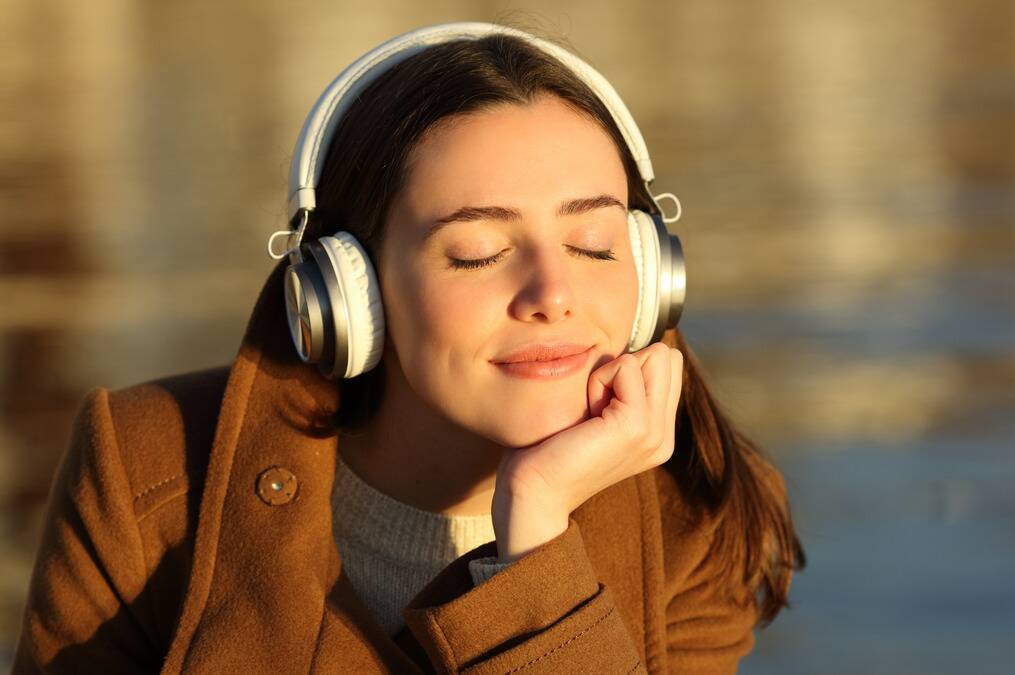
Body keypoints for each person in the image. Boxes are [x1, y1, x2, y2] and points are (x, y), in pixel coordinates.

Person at [12, 22, 805, 674]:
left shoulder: (693, 509)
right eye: (478, 251)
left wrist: (535, 536)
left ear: (651, 272)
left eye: (594, 243)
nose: (552, 292)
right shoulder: (146, 472)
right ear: (348, 292)